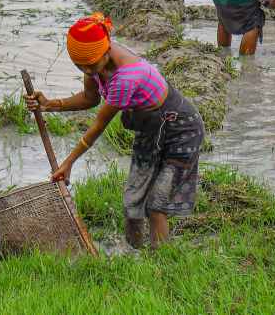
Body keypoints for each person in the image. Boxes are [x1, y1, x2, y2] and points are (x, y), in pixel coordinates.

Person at [24, 13, 205, 248]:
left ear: (106, 50)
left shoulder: (126, 76)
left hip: (180, 128)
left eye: (91, 66)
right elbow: (90, 98)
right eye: (82, 67)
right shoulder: (94, 60)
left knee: (156, 203)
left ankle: (161, 262)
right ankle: (134, 255)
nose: (88, 71)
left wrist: (68, 163)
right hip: (150, 128)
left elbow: (99, 124)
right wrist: (50, 104)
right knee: (133, 201)